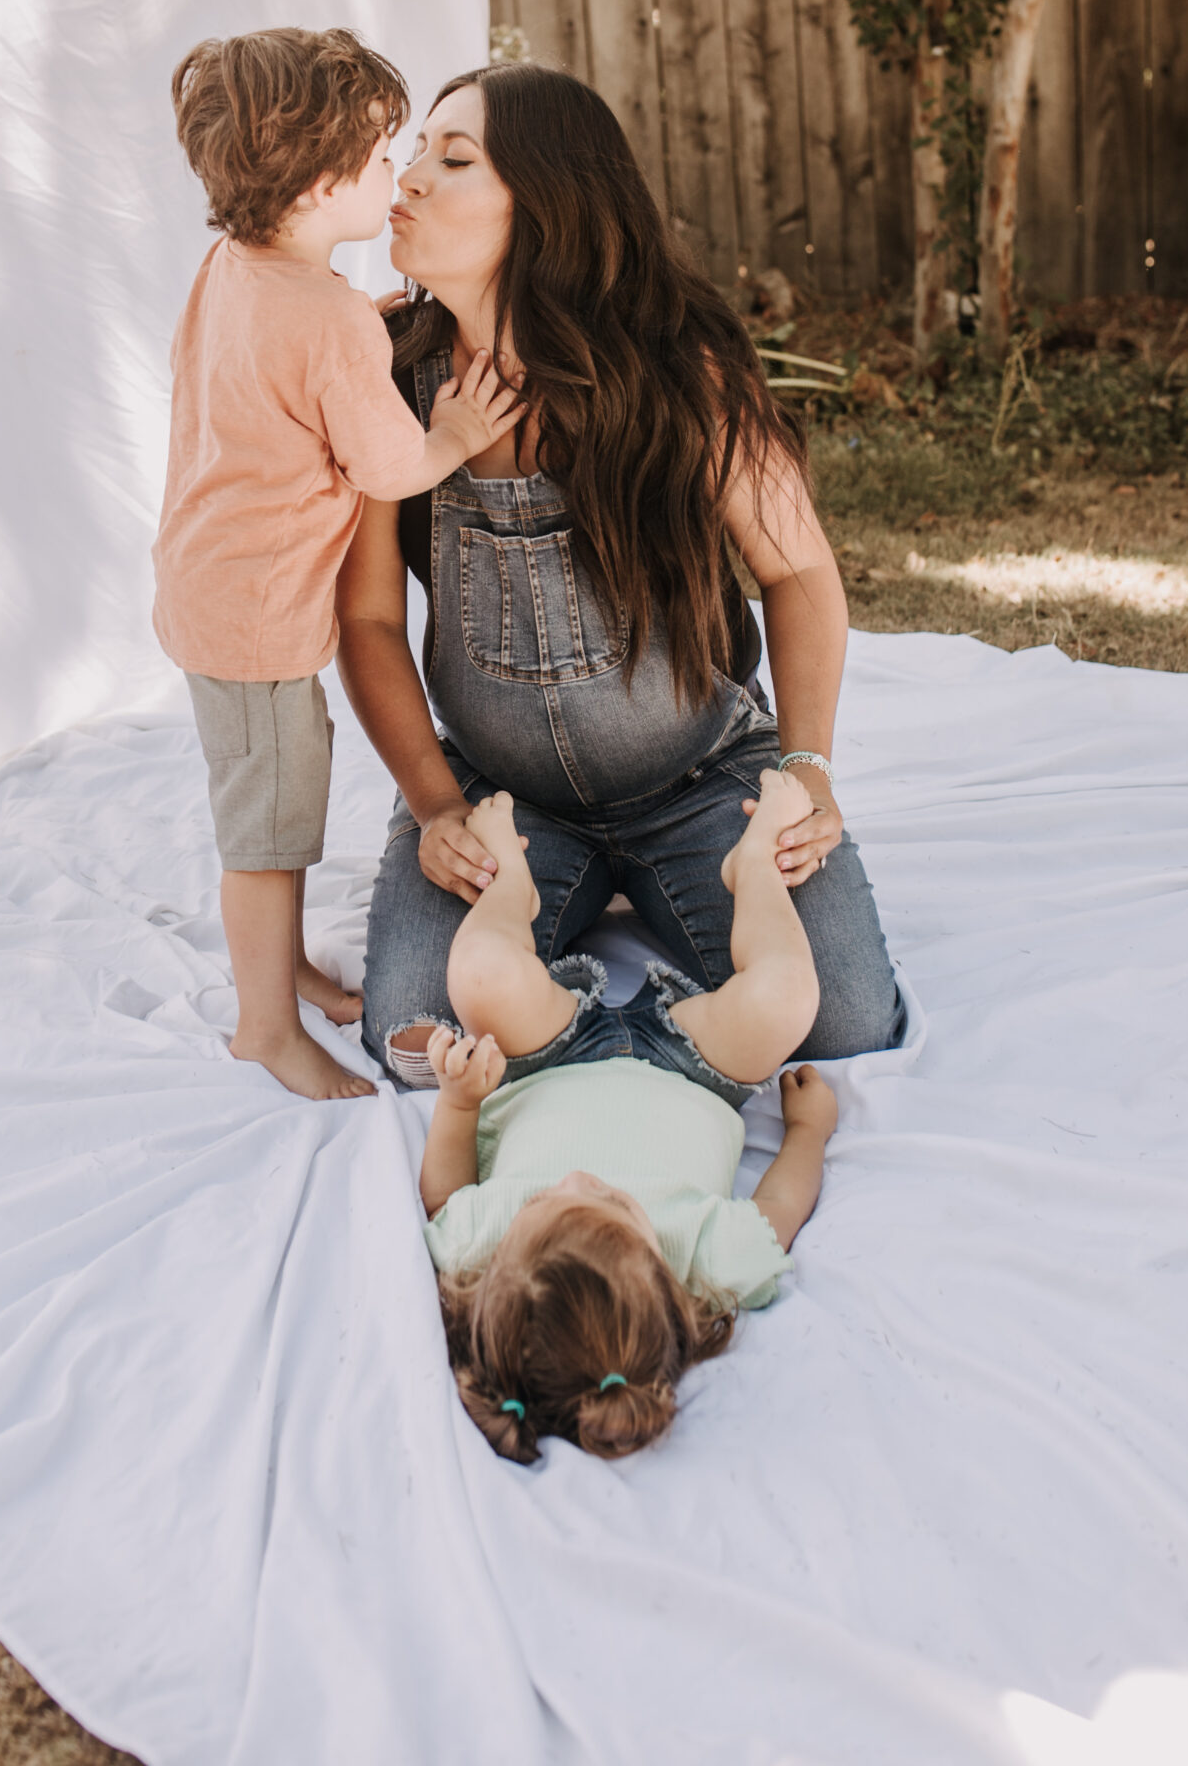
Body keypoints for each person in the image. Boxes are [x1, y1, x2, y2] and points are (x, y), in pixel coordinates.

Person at [333, 62, 904, 1097]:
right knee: (416, 1035)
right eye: (414, 153)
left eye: (452, 159)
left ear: (549, 204)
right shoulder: (385, 373)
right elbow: (368, 620)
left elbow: (800, 569)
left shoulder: (680, 367)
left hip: (702, 780)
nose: (407, 178)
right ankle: (611, 970)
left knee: (850, 1021)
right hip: (503, 801)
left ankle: (617, 978)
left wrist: (807, 765)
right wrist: (434, 807)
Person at [154, 28, 520, 1100]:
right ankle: (264, 1026)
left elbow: (275, 362)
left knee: (269, 796)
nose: (394, 176)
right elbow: (390, 465)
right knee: (268, 833)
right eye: (375, 161)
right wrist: (450, 435)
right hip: (258, 618)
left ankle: (291, 969)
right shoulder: (330, 325)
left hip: (203, 584)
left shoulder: (238, 269)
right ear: (318, 184)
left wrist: (357, 325)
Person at [419, 770, 839, 1461]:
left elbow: (443, 1196)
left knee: (481, 977)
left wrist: (459, 1103)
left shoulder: (486, 1255)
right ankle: (754, 868)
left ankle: (510, 894)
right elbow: (781, 1203)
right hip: (692, 1066)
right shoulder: (709, 1266)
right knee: (786, 999)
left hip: (547, 1058)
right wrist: (807, 1131)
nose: (579, 1179)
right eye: (613, 1203)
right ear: (662, 1288)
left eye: (549, 1202)